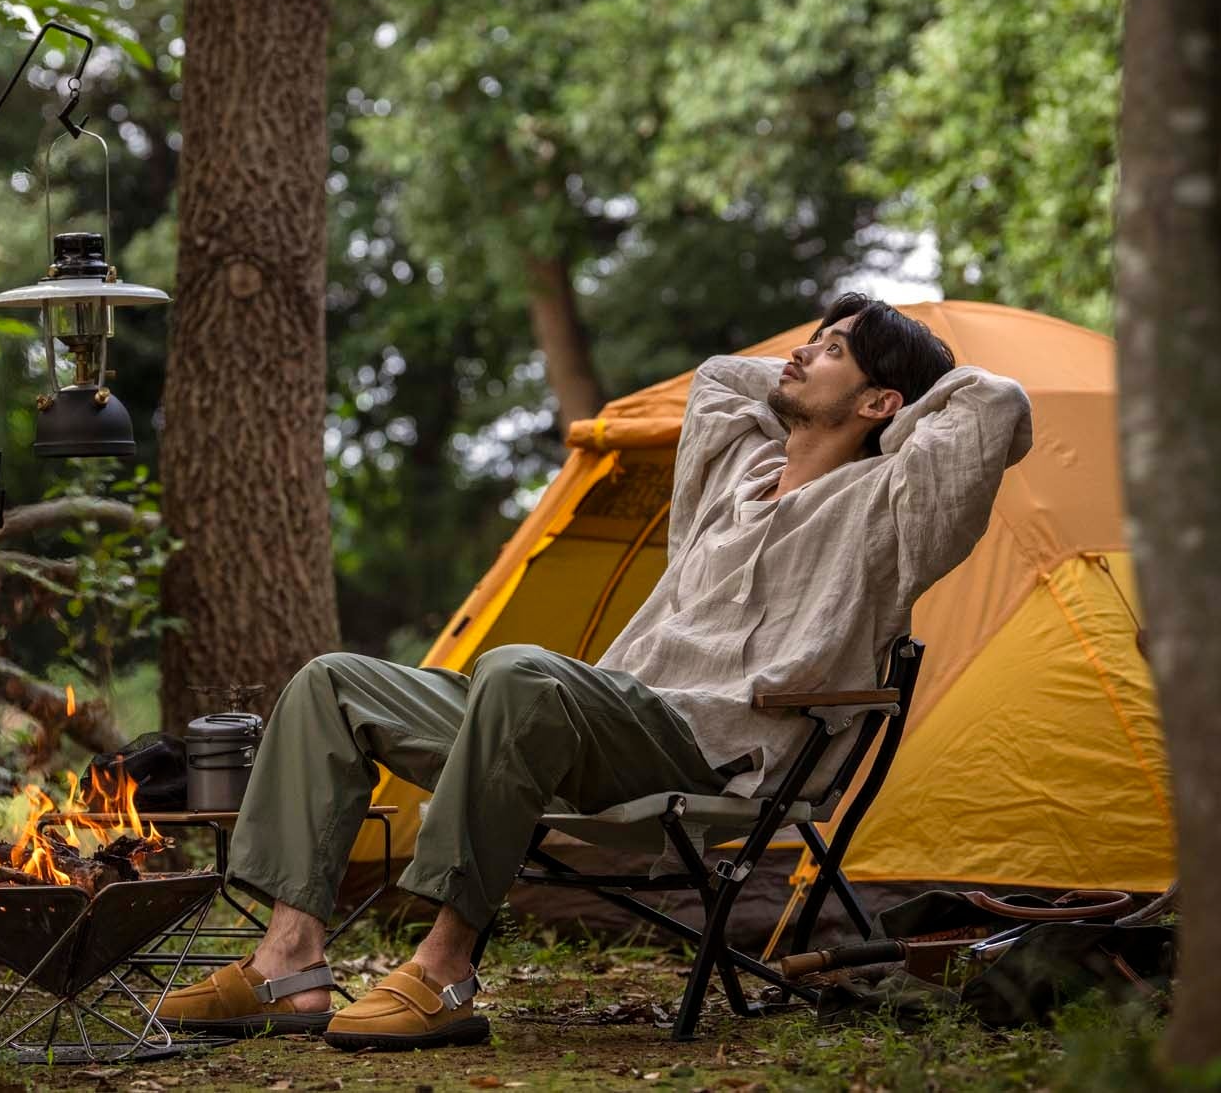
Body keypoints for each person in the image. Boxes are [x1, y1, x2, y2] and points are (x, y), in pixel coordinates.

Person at [157, 294, 1033, 1051]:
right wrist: (831, 362)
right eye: (811, 340)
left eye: (831, 350)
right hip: (595, 716)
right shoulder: (735, 480)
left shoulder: (890, 509)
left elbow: (996, 406)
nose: (800, 354)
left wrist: (896, 405)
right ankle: (289, 961)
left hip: (702, 746)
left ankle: (444, 967)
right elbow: (720, 379)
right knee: (332, 682)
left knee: (519, 671)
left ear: (881, 401)